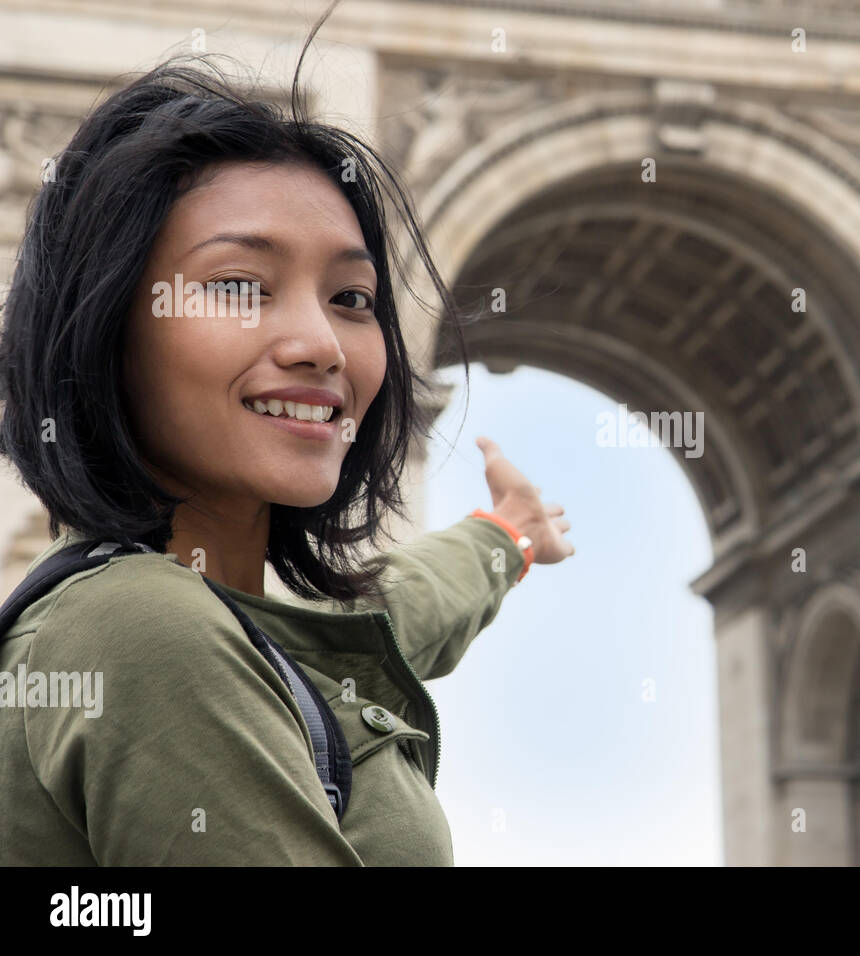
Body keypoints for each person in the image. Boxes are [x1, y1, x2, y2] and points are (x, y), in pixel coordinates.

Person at [0, 30, 574, 864]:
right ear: (104, 324)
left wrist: (507, 535)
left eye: (351, 296)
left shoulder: (257, 629)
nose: (321, 343)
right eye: (239, 286)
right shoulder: (146, 629)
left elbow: (398, 606)